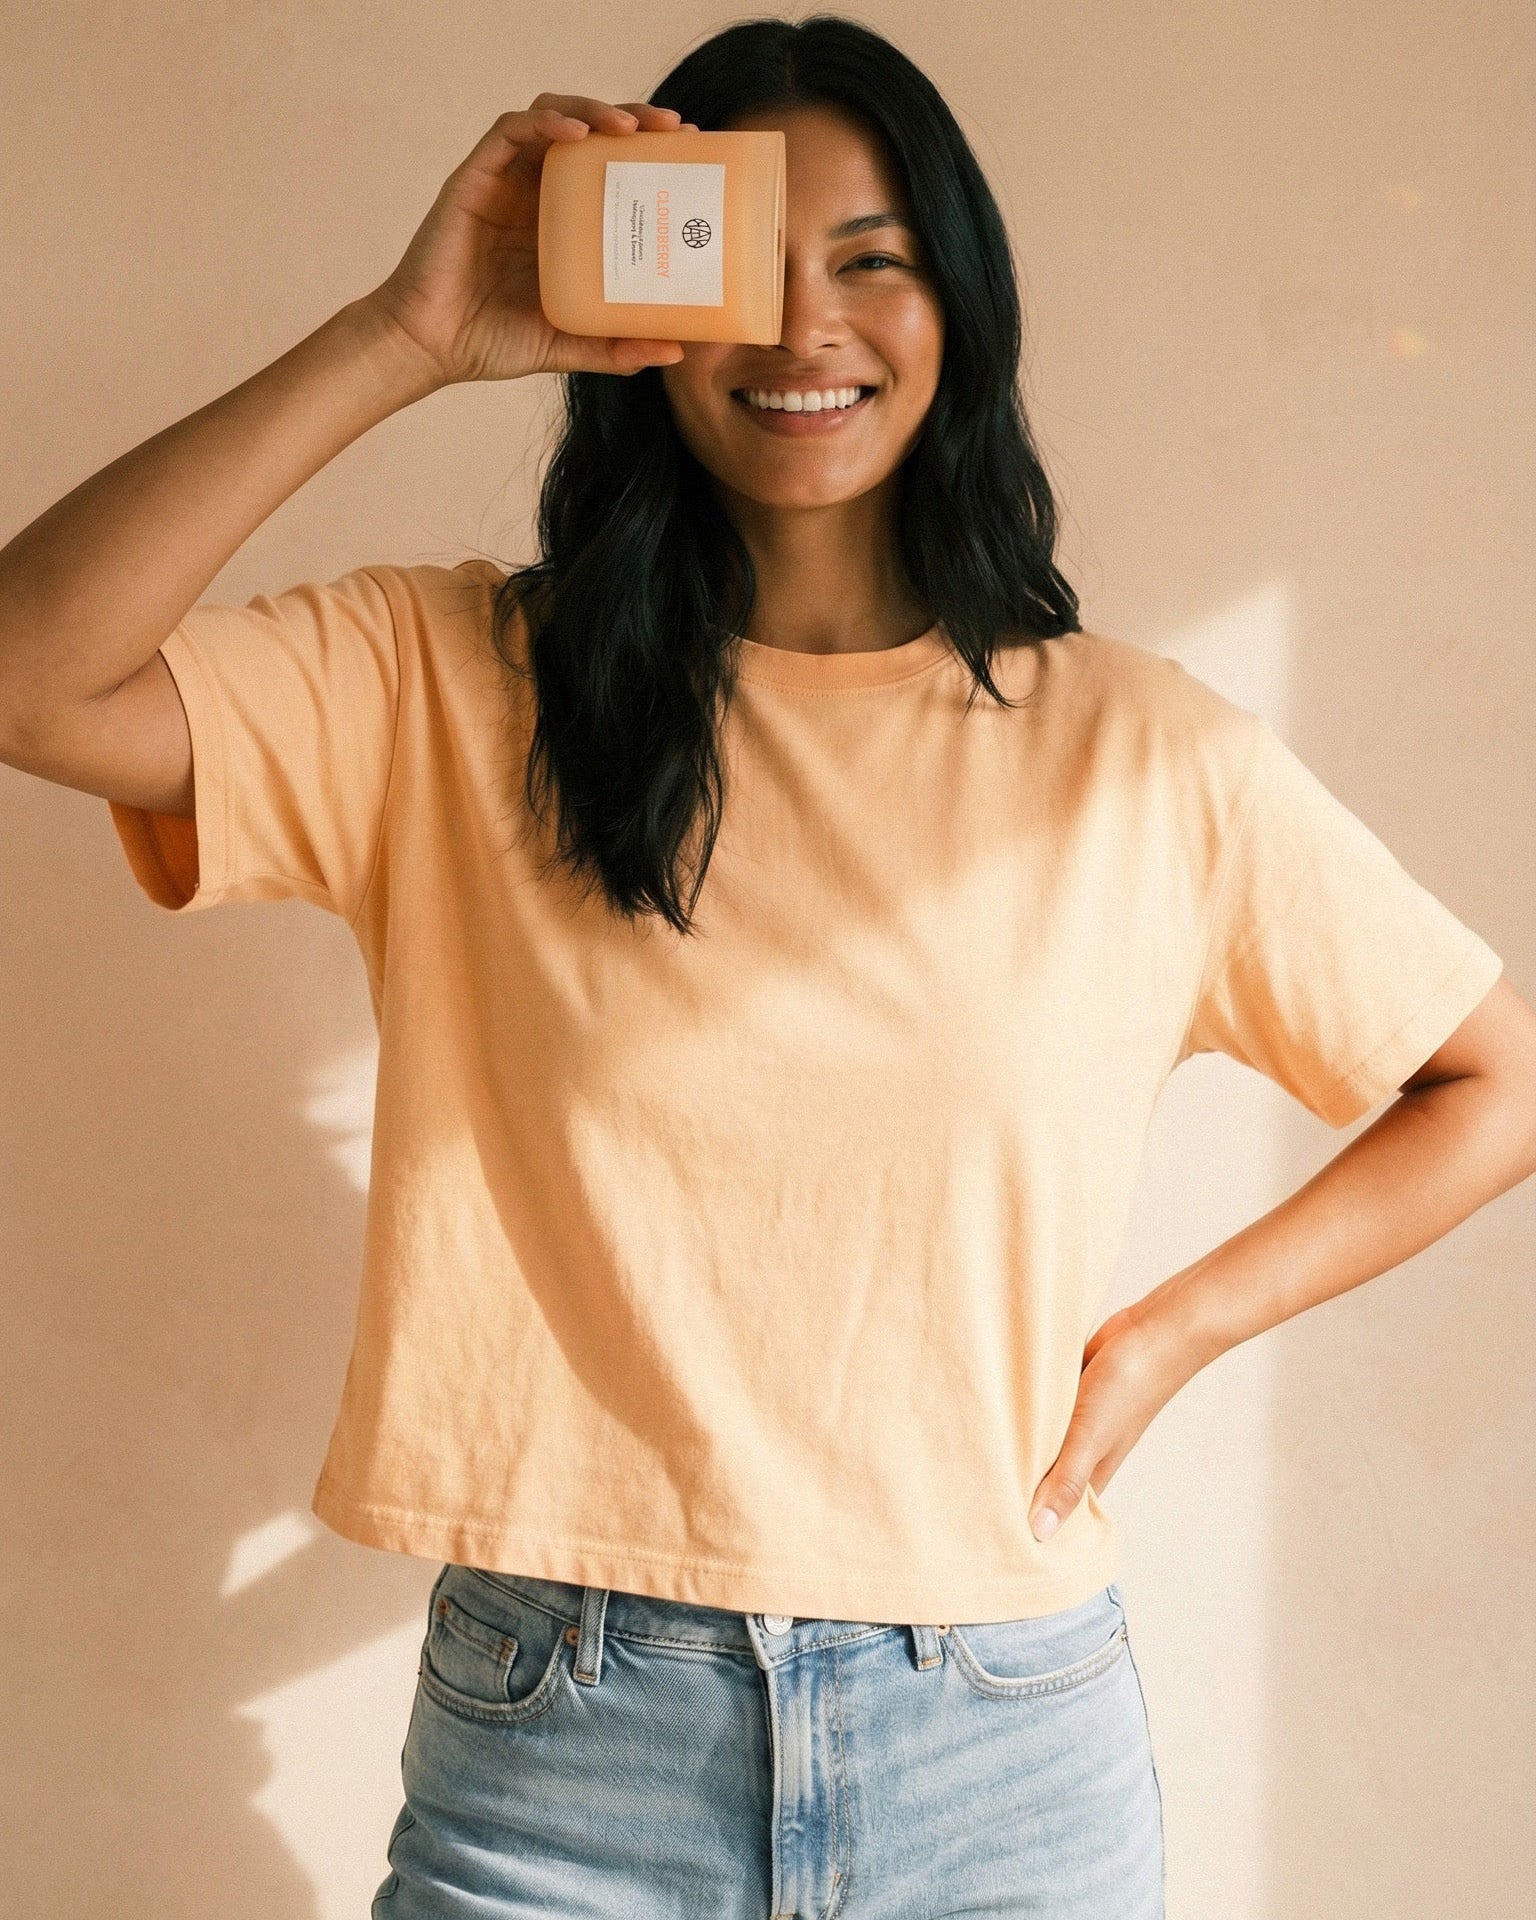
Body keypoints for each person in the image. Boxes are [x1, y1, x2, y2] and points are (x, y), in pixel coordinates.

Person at [2, 14, 1532, 1918]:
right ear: (634, 306)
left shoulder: (1147, 757)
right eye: (737, 265)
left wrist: (1171, 1335)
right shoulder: (448, 686)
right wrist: (405, 336)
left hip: (1000, 1738)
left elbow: (1496, 1078)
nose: (808, 331)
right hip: (562, 1743)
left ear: (959, 302)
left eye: (874, 261)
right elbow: (26, 673)